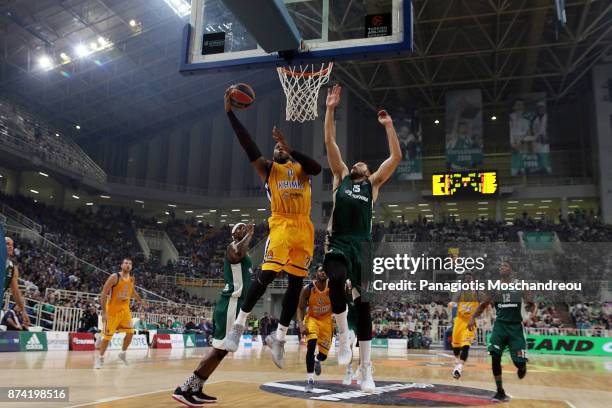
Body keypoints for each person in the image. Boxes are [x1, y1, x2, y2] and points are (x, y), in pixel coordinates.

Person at [222, 88, 322, 370]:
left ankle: (278, 338)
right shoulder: (268, 168)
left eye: (281, 148)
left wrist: (291, 149)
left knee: (294, 285)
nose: (277, 150)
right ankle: (238, 327)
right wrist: (231, 114)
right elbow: (248, 145)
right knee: (266, 274)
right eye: (275, 149)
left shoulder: (301, 168)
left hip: (305, 227)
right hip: (281, 223)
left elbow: (317, 168)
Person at [323, 84, 401, 392]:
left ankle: (366, 368)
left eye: (362, 165)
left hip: (363, 247)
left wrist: (389, 126)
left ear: (367, 171)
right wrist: (330, 108)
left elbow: (395, 156)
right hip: (340, 241)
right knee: (335, 279)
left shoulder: (373, 184)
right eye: (356, 164)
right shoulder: (340, 175)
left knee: (364, 308)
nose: (357, 164)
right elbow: (329, 140)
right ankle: (343, 335)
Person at [172, 222, 254, 406]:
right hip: (230, 305)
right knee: (219, 349)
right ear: (234, 235)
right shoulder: (232, 248)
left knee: (222, 351)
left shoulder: (245, 254)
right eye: (239, 228)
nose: (244, 229)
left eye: (244, 227)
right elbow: (238, 253)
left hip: (237, 305)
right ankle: (183, 389)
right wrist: (249, 234)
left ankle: (197, 388)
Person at [468, 261, 536, 401]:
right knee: (495, 356)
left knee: (519, 362)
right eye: (500, 266)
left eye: (505, 265)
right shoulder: (495, 287)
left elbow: (532, 303)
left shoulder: (521, 285)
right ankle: (500, 391)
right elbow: (483, 304)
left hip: (516, 327)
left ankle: (522, 367)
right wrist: (472, 317)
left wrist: (532, 314)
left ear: (512, 269)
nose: (502, 267)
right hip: (500, 325)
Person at [95, 258, 146, 369]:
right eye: (126, 263)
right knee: (107, 338)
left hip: (125, 311)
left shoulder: (132, 279)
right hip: (112, 311)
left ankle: (122, 354)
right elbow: (103, 294)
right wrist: (104, 312)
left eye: (130, 264)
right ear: (121, 265)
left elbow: (132, 291)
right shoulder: (114, 277)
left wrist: (141, 301)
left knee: (131, 333)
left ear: (131, 267)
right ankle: (100, 358)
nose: (128, 265)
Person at [296, 265, 333, 392]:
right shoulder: (308, 289)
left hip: (327, 322)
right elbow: (300, 308)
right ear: (316, 274)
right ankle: (310, 381)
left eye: (325, 271)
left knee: (323, 355)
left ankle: (318, 360)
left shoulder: (332, 287)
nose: (323, 272)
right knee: (311, 345)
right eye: (320, 270)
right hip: (312, 319)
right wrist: (301, 324)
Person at [448, 271, 479, 379]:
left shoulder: (478, 292)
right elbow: (453, 301)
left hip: (470, 321)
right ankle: (457, 361)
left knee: (466, 345)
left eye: (470, 278)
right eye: (466, 278)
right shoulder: (460, 292)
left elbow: (485, 303)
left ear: (473, 280)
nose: (468, 280)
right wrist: (452, 303)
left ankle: (459, 368)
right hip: (459, 320)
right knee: (456, 346)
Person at [2, 236, 30, 328]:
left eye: (12, 245)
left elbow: (16, 292)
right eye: (7, 244)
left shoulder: (12, 268)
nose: (11, 247)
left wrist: (23, 311)